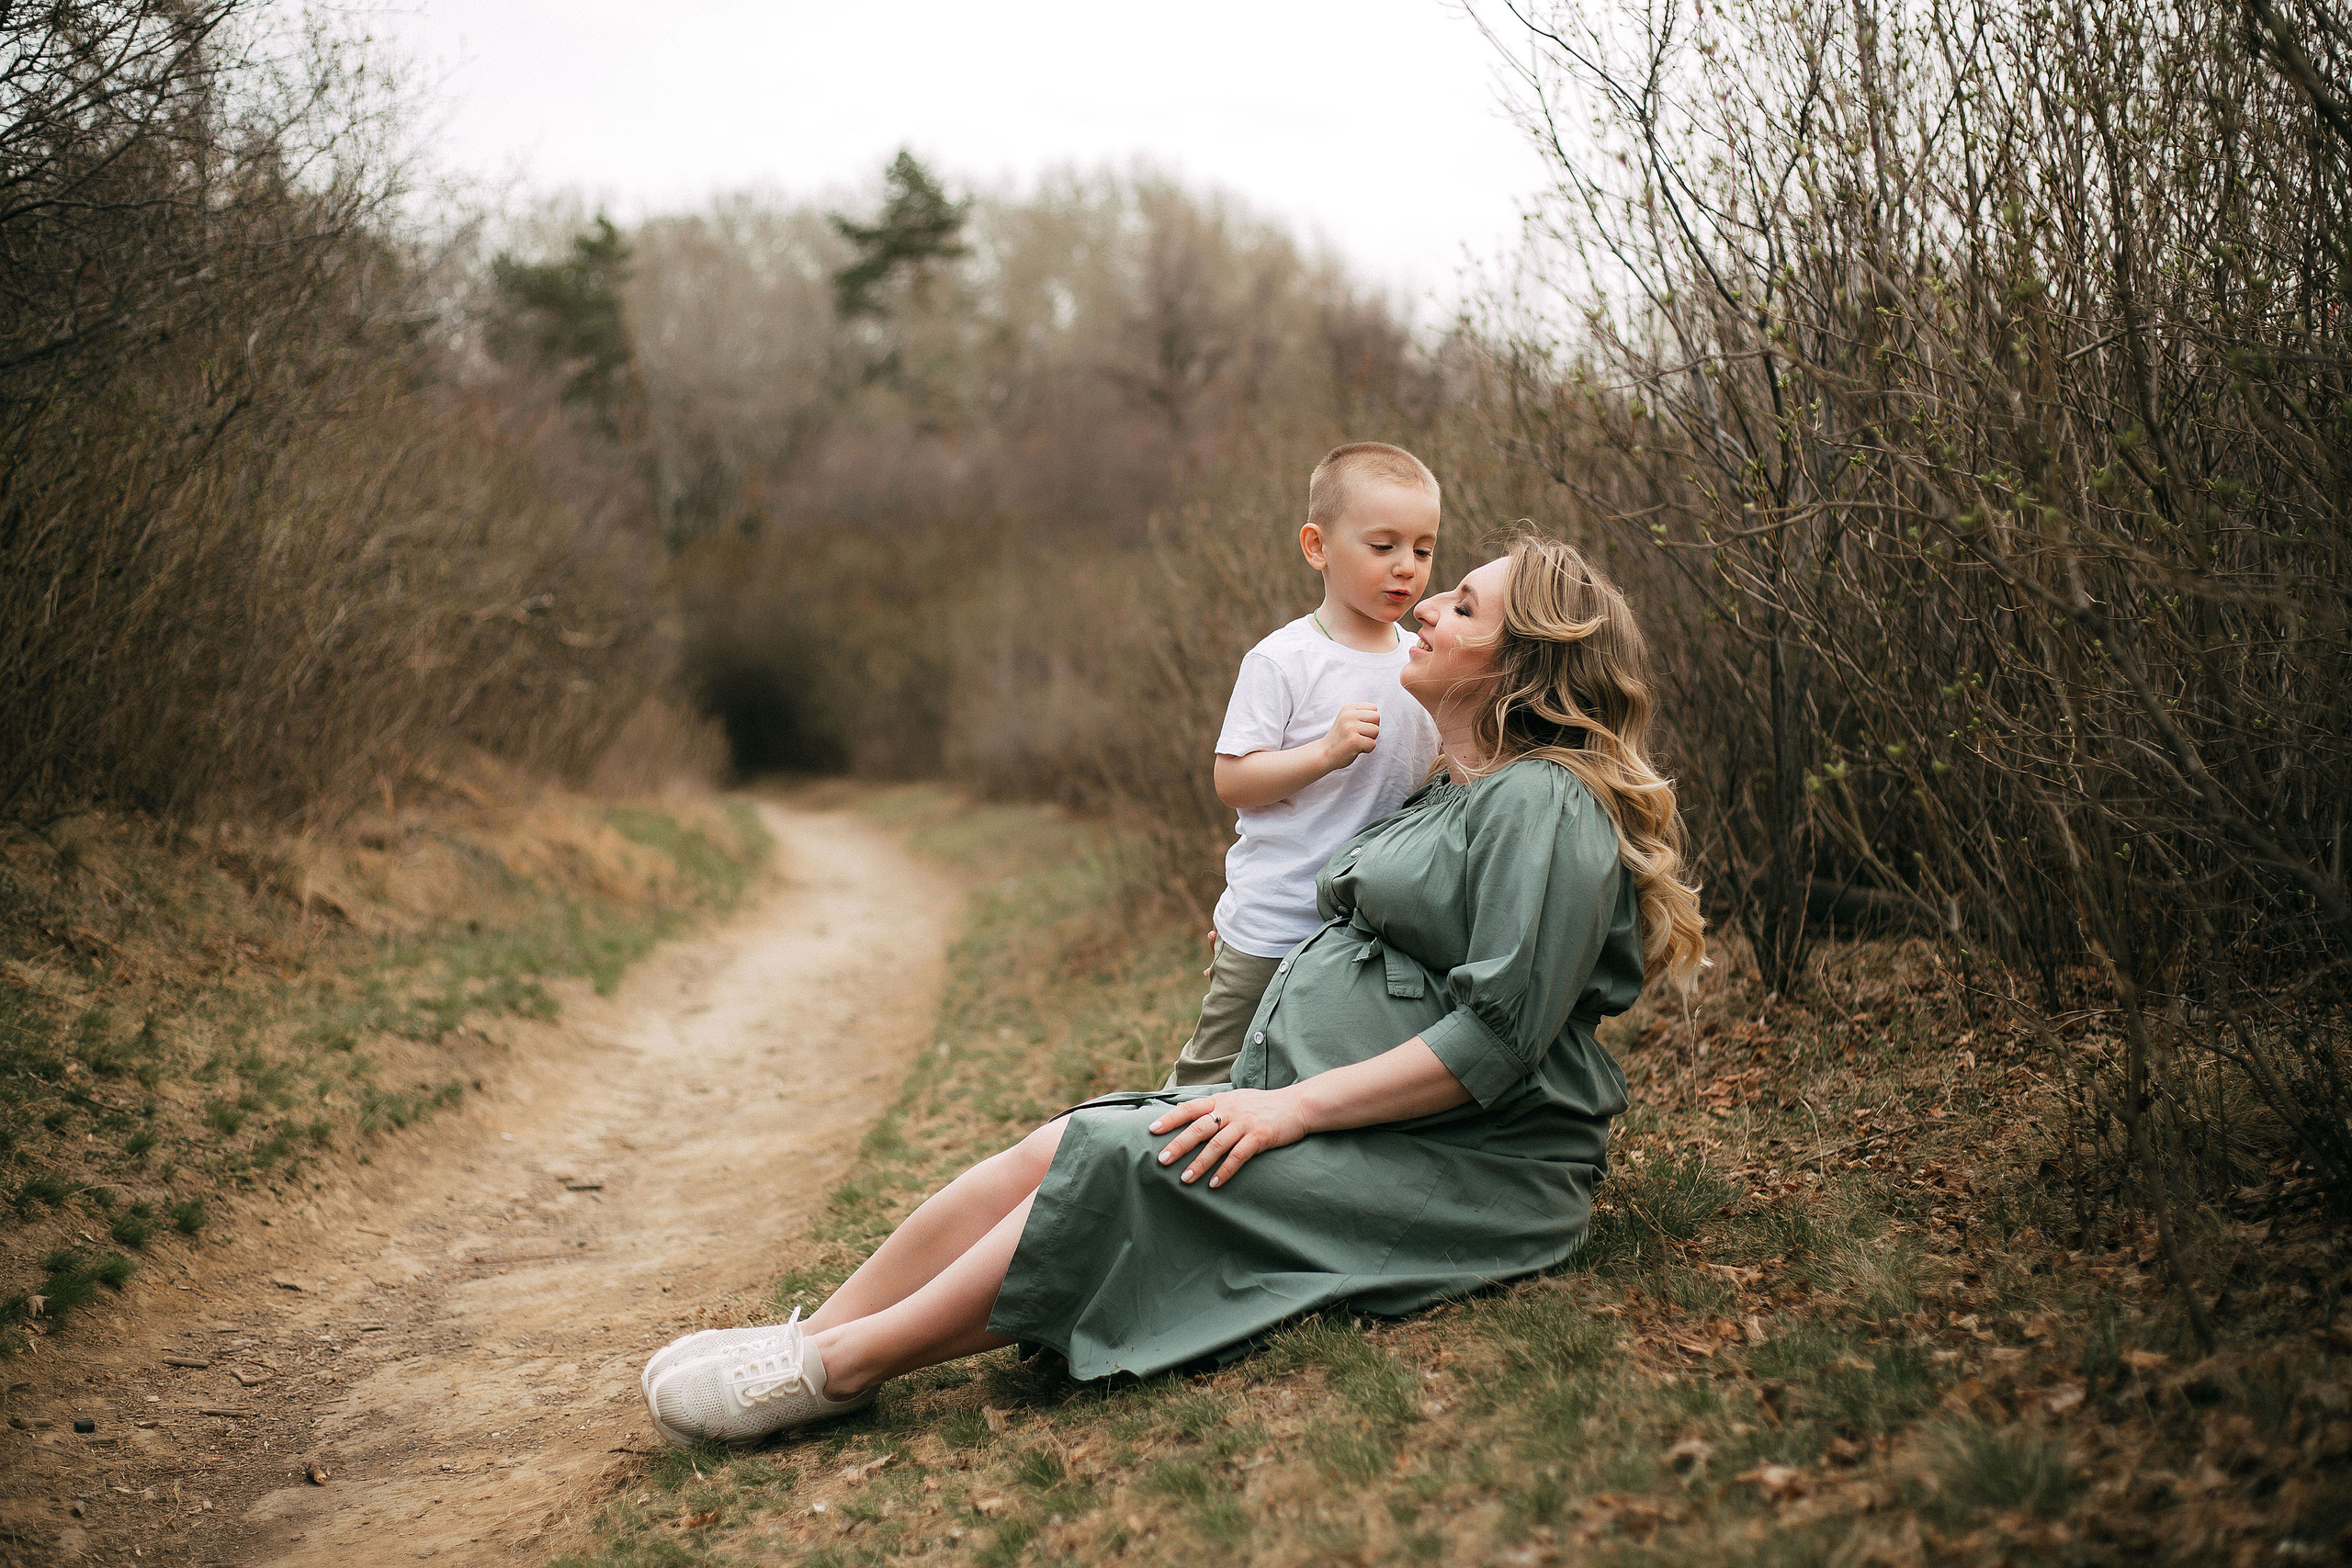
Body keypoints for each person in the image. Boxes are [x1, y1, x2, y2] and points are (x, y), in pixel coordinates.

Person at [639, 532, 1708, 1445]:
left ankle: (843, 1371)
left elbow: (1498, 1037)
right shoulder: (1448, 789)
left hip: (1473, 1167)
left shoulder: (1546, 805)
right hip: (1365, 1123)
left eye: (1461, 603)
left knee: (1126, 1160)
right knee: (1062, 1139)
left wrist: (1287, 1106)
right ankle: (807, 1331)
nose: (1425, 605)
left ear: (1518, 660)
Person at [1170, 441, 1443, 1089]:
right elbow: (1231, 779)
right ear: (1317, 546)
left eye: (1423, 548)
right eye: (1383, 546)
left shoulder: (1422, 660)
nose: (1407, 567)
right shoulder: (1283, 659)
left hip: (1370, 932)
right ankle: (1144, 1170)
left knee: (1323, 1083)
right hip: (1277, 921)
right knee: (1215, 1077)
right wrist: (1323, 755)